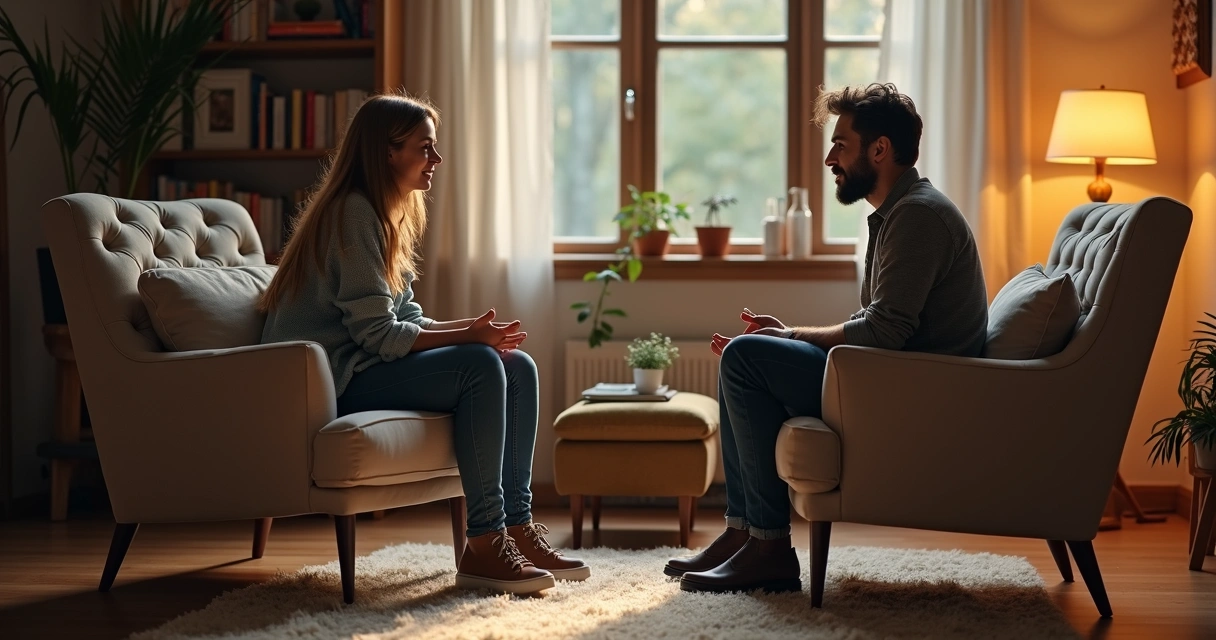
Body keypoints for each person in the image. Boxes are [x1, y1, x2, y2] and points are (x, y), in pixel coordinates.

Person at [259, 92, 589, 595]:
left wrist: (476, 332)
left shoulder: (388, 213)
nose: (436, 160)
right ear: (388, 151)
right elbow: (378, 334)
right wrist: (469, 336)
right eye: (425, 147)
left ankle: (517, 529)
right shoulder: (353, 213)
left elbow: (404, 316)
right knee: (480, 363)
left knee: (515, 364)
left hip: (364, 363)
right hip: (333, 379)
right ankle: (483, 543)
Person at [668, 83, 988, 593]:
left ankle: (770, 548)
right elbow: (883, 325)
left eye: (841, 144)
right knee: (745, 356)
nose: (828, 158)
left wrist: (791, 334)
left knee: (748, 356)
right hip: (892, 380)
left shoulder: (919, 217)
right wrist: (786, 338)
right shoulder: (897, 214)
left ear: (879, 150)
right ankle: (745, 533)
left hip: (911, 395)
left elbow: (884, 330)